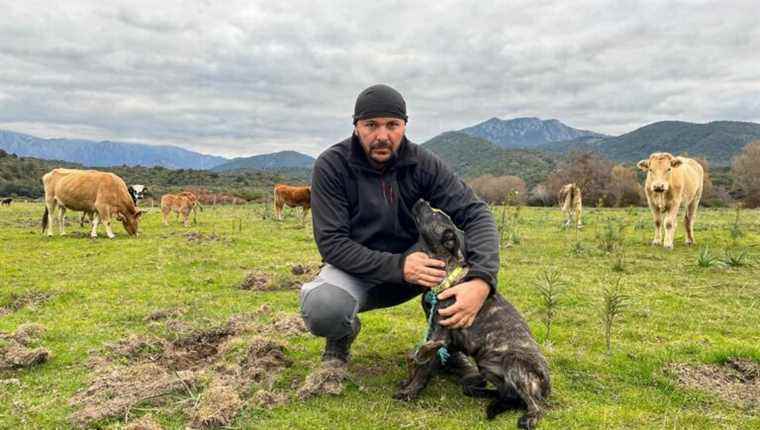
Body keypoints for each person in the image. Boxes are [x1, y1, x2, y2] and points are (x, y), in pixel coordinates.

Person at [300, 84, 500, 385]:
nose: (382, 135)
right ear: (356, 127)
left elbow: (476, 213)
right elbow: (332, 243)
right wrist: (399, 266)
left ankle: (446, 345)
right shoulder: (332, 166)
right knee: (323, 307)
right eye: (371, 125)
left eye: (392, 125)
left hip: (421, 270)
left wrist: (482, 280)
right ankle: (341, 335)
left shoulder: (422, 163)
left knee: (466, 242)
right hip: (358, 271)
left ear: (404, 125)